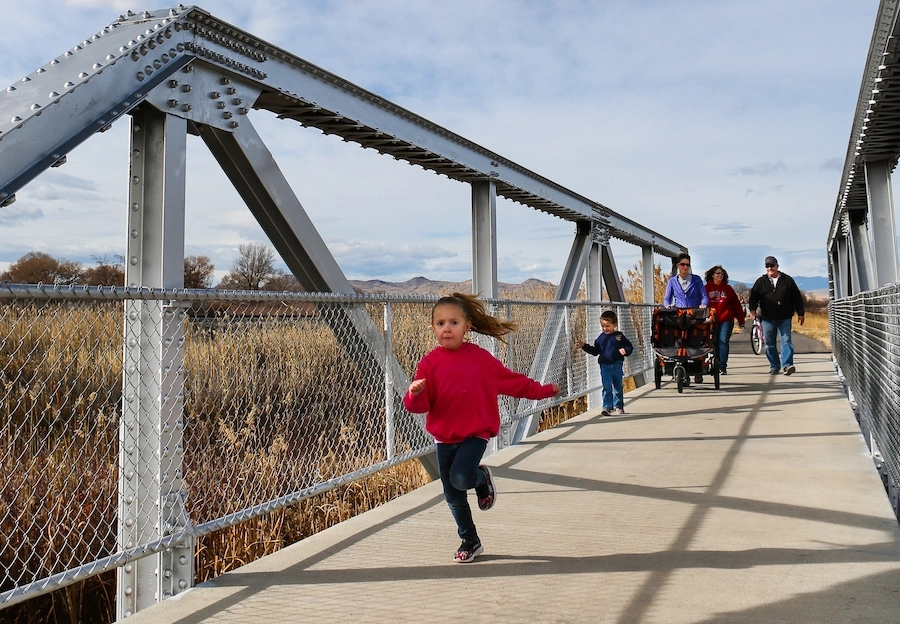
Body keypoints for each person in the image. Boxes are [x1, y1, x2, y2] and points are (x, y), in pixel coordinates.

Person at [403, 293, 559, 563]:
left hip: (475, 432)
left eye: (454, 322)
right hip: (444, 437)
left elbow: (514, 383)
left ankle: (480, 479)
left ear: (468, 327)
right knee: (452, 494)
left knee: (462, 478)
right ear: (433, 329)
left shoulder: (481, 359)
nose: (447, 328)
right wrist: (415, 393)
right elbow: (419, 406)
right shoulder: (428, 364)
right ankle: (470, 540)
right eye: (440, 323)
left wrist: (544, 391)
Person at [747, 256, 805, 375]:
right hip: (768, 318)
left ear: (777, 266)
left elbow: (796, 297)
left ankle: (787, 365)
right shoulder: (761, 282)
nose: (769, 268)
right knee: (769, 344)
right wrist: (752, 310)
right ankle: (774, 366)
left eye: (772, 266)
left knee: (786, 341)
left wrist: (800, 313)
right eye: (767, 266)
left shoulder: (787, 280)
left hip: (785, 317)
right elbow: (753, 296)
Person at [578, 310, 634, 416]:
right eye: (603, 326)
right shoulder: (601, 338)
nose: (605, 328)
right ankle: (607, 406)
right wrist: (585, 346)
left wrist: (625, 350)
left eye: (607, 326)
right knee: (606, 385)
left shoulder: (619, 337)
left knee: (617, 387)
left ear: (615, 325)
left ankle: (619, 406)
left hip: (617, 365)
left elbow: (629, 346)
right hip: (605, 366)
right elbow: (595, 351)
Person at [704, 265, 746, 375]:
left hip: (726, 318)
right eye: (718, 273)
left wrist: (741, 319)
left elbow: (736, 305)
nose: (720, 275)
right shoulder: (706, 289)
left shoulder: (728, 289)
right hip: (711, 319)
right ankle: (715, 364)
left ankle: (722, 366)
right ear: (712, 275)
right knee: (714, 342)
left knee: (723, 341)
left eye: (722, 274)